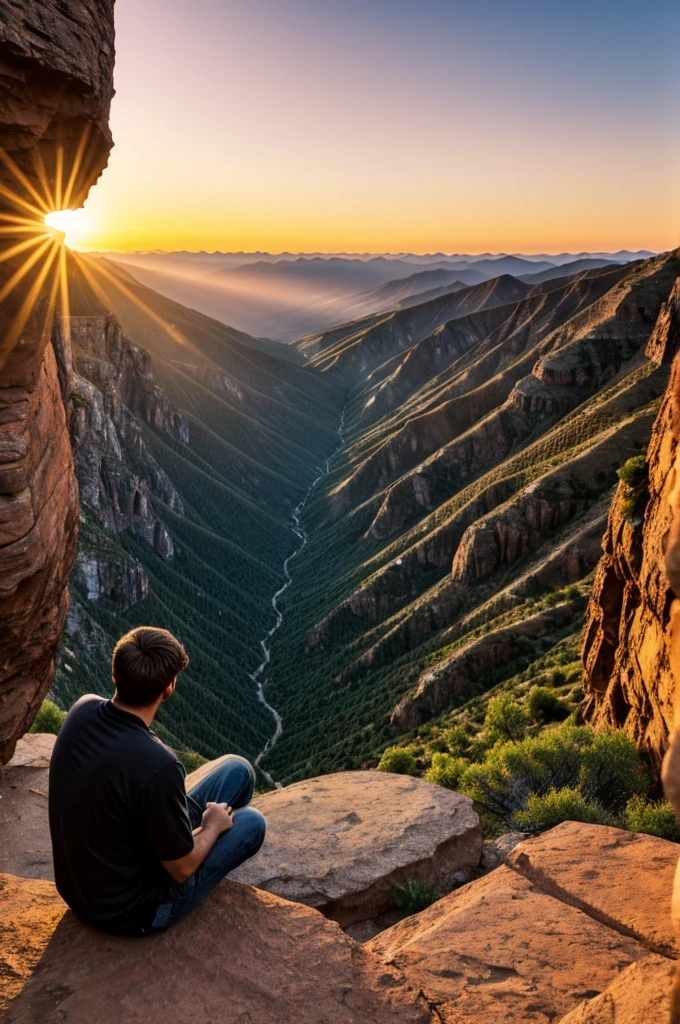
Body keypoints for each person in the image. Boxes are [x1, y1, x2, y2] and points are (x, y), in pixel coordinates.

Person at [48, 626, 266, 936]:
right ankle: (195, 847)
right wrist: (212, 827)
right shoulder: (159, 765)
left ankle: (181, 838)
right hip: (131, 911)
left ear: (115, 675)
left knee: (238, 770)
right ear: (168, 689)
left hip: (80, 885)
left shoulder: (82, 709)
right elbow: (181, 870)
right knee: (251, 823)